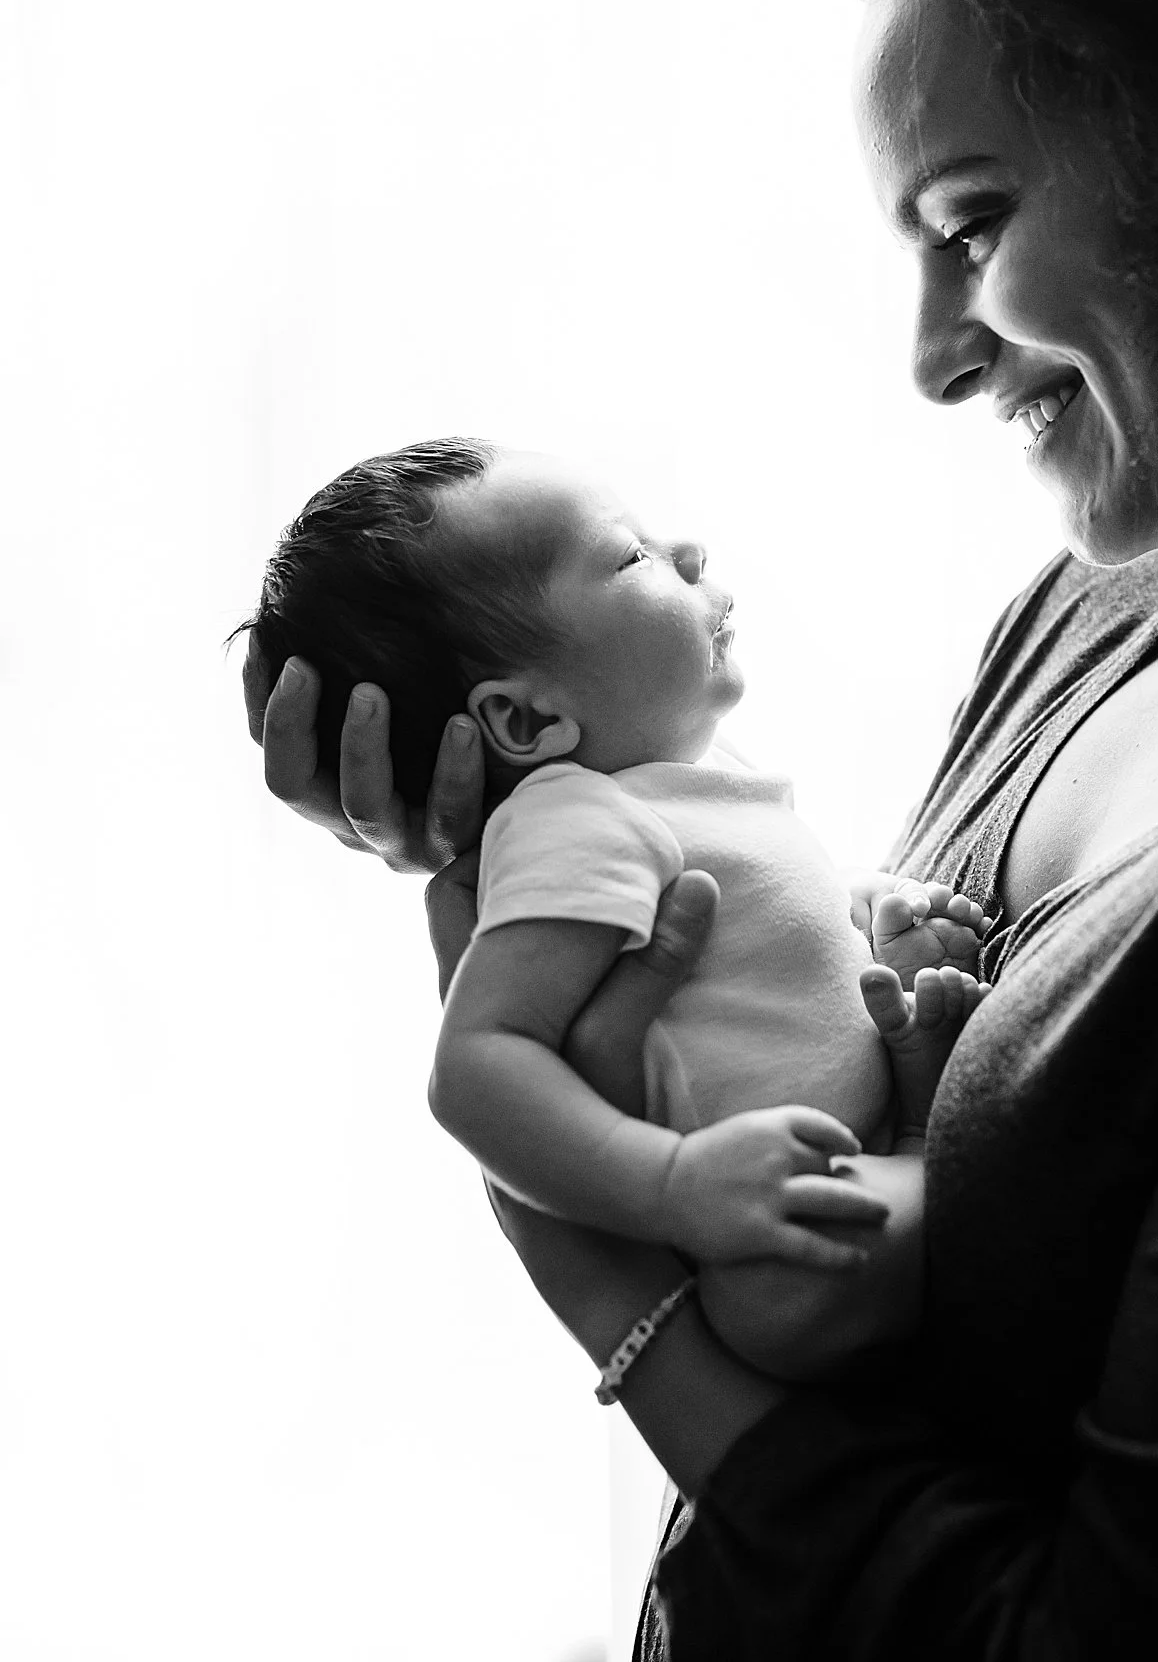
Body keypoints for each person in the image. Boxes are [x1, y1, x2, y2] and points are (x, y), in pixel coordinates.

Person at [244, 0, 1158, 1655]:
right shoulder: (1095, 607)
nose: (933, 359)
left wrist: (617, 1291)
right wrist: (513, 856)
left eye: (971, 221)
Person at [240, 436, 991, 1374]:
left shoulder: (683, 787)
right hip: (775, 1228)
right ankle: (927, 1150)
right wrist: (674, 1185)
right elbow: (476, 1068)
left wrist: (864, 911)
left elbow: (751, 936)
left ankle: (919, 1127)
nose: (688, 552)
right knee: (794, 1286)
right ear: (525, 721)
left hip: (841, 1151)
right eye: (631, 555)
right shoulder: (573, 822)